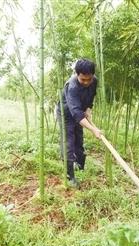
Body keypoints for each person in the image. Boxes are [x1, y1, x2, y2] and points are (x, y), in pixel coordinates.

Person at [56, 59, 102, 188]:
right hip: (66, 114)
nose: (86, 83)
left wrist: (88, 108)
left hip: (80, 111)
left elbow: (91, 95)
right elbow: (75, 113)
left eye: (89, 79)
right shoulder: (72, 86)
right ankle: (69, 176)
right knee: (68, 143)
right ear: (77, 74)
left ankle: (80, 168)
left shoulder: (94, 81)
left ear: (92, 75)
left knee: (79, 141)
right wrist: (93, 130)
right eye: (83, 80)